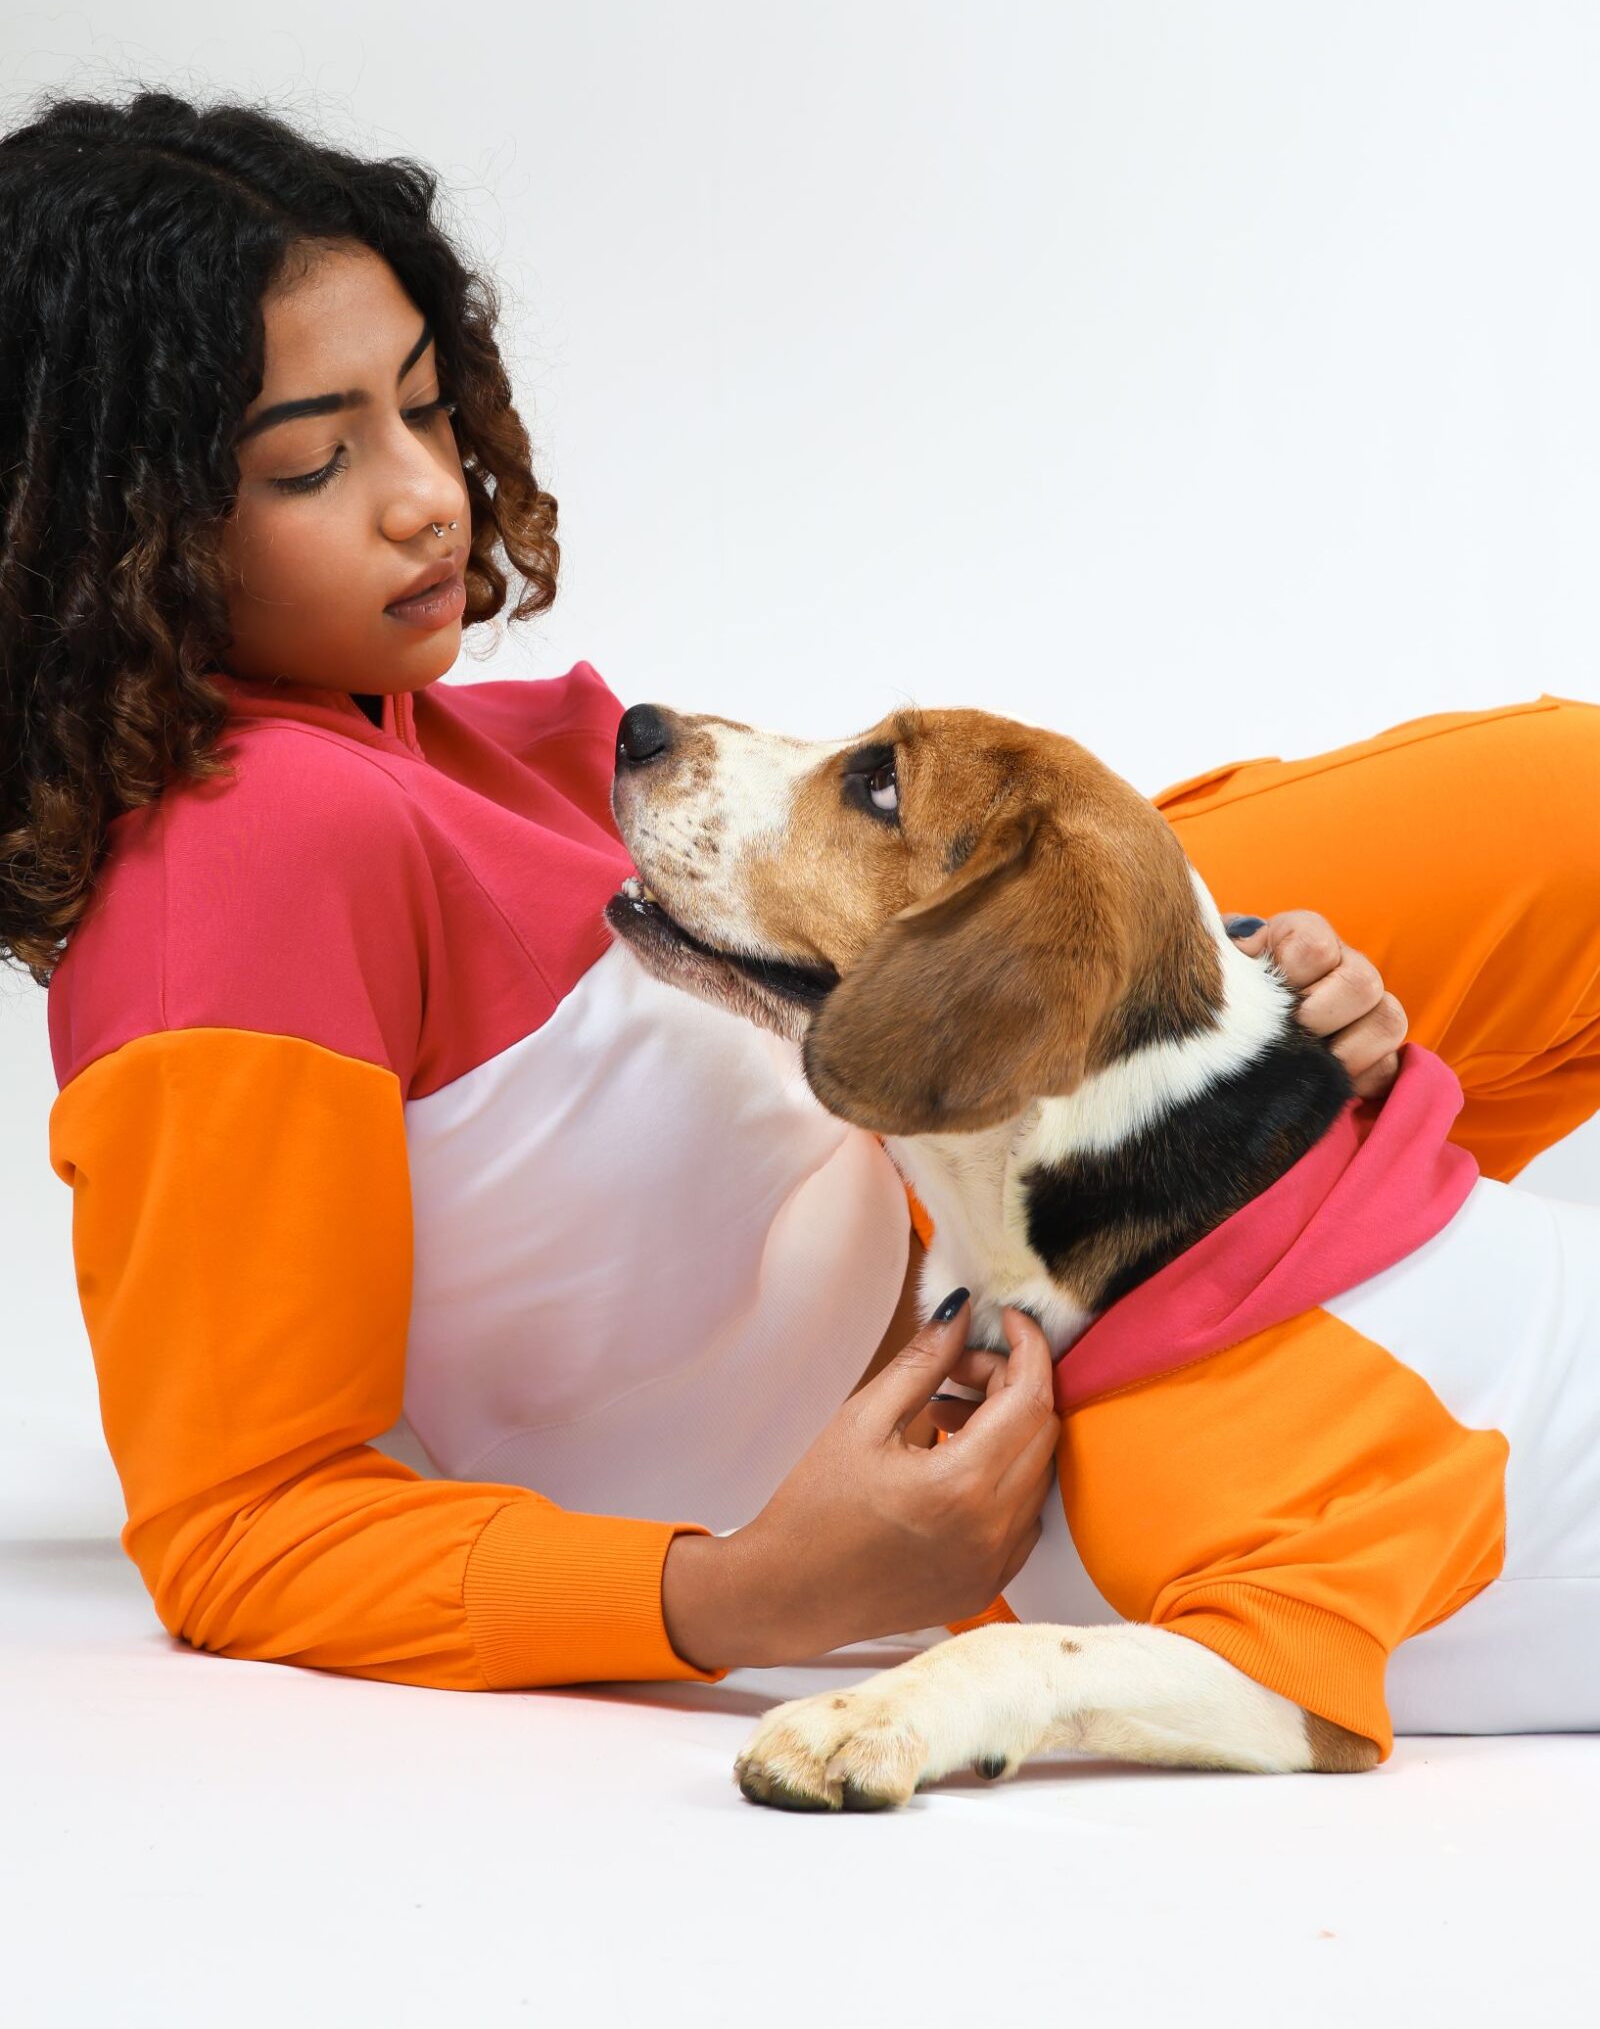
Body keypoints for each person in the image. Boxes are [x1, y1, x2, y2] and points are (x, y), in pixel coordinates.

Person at [4, 89, 1596, 1694]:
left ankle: (1322, 1175)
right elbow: (243, 1524)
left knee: (1553, 812)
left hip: (987, 1170)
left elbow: (843, 968)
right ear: (96, 534)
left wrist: (1232, 989)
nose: (426, 494)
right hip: (976, 1367)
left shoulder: (450, 741)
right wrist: (752, 1594)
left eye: (425, 407)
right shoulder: (237, 859)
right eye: (312, 464)